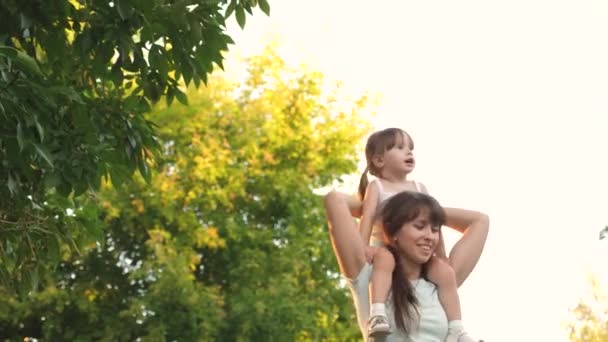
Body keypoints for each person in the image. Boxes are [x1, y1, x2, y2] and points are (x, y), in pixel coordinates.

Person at [324, 185, 489, 341]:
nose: (430, 236)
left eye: (435, 229)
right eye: (420, 226)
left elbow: (480, 221)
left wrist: (424, 206)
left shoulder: (442, 280)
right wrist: (377, 208)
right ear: (393, 232)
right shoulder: (369, 277)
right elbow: (334, 200)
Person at [356, 128, 477, 341]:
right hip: (386, 247)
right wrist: (362, 246)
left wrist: (441, 256)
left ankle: (456, 328)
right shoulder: (377, 186)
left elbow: (433, 223)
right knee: (385, 260)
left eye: (410, 148)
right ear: (379, 159)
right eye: (400, 148)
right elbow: (367, 216)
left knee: (446, 273)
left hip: (416, 252)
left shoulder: (419, 187)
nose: (408, 152)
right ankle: (378, 312)